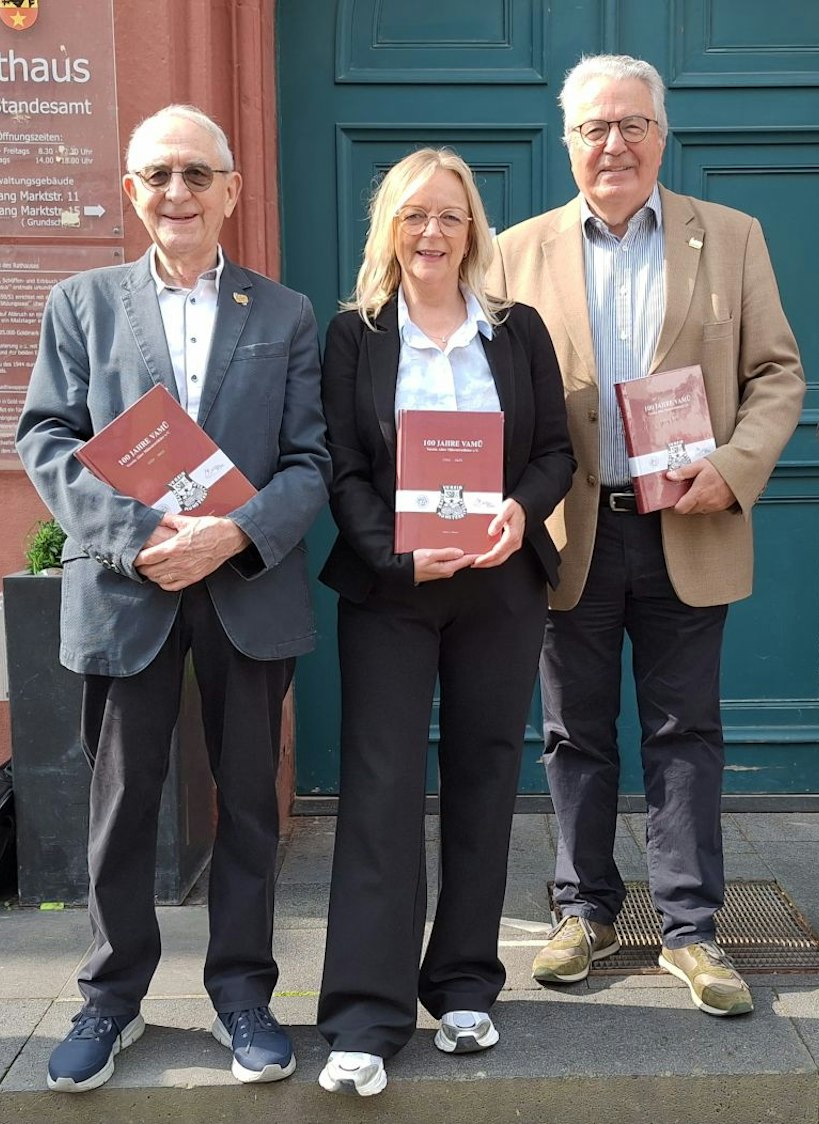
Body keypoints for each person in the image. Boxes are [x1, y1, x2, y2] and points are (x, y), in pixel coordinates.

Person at [16, 104, 328, 1090]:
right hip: (126, 586)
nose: (177, 192)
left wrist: (233, 531)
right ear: (131, 192)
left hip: (244, 584)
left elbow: (311, 459)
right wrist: (141, 535)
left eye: (196, 174)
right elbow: (47, 437)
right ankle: (110, 996)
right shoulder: (80, 304)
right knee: (120, 807)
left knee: (246, 806)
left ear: (230, 190)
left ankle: (243, 993)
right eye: (157, 175)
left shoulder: (284, 313)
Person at [491, 54, 804, 1017]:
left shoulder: (733, 238)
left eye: (632, 125)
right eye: (594, 128)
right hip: (570, 528)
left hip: (687, 523)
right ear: (568, 142)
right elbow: (484, 393)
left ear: (662, 136)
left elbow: (777, 375)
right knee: (571, 734)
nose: (614, 143)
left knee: (685, 733)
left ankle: (690, 928)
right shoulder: (515, 250)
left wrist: (735, 467)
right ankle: (582, 910)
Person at [313, 148, 574, 1097]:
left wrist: (518, 511)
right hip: (391, 590)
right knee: (379, 788)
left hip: (501, 583)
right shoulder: (354, 336)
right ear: (389, 227)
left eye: (451, 217)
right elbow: (339, 466)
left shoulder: (516, 330)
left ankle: (464, 983)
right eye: (415, 216)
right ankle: (362, 1014)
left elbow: (554, 452)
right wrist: (392, 551)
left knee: (484, 775)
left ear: (474, 231)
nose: (432, 233)